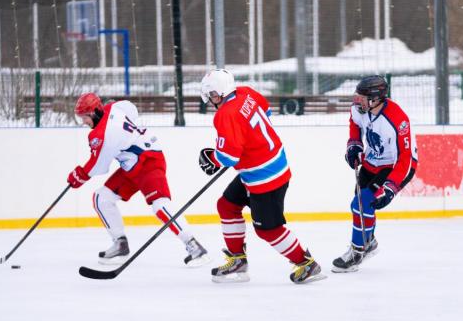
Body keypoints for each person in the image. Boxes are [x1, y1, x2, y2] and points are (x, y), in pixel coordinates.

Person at [198, 68, 326, 284]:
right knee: (227, 205)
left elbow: (229, 156)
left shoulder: (225, 114)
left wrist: (213, 159)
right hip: (265, 167)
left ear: (219, 92)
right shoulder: (246, 92)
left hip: (264, 178)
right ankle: (238, 260)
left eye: (212, 95)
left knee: (268, 230)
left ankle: (307, 264)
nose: (211, 100)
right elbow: (265, 113)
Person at [67, 92, 210, 267]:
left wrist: (79, 175)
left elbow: (98, 165)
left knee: (160, 205)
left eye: (85, 117)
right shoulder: (114, 107)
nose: (84, 122)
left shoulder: (101, 134)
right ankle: (120, 244)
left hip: (149, 161)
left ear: (95, 112)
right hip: (131, 166)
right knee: (101, 198)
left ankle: (194, 246)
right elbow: (131, 109)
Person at [332, 75, 418, 273]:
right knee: (361, 206)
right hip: (371, 162)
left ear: (375, 98)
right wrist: (354, 144)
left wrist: (391, 187)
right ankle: (369, 242)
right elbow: (355, 123)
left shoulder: (397, 120)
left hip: (395, 166)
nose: (357, 101)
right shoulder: (360, 109)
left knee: (361, 205)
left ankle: (357, 251)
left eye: (362, 98)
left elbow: (405, 160)